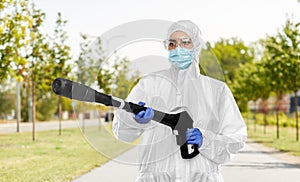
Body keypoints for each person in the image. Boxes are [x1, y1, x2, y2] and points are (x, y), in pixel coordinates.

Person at [112, 20, 247, 182]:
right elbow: (121, 132)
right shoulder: (150, 84)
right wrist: (134, 120)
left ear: (196, 45)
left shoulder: (217, 90)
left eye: (185, 42)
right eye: (172, 44)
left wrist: (206, 139)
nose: (178, 49)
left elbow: (236, 138)